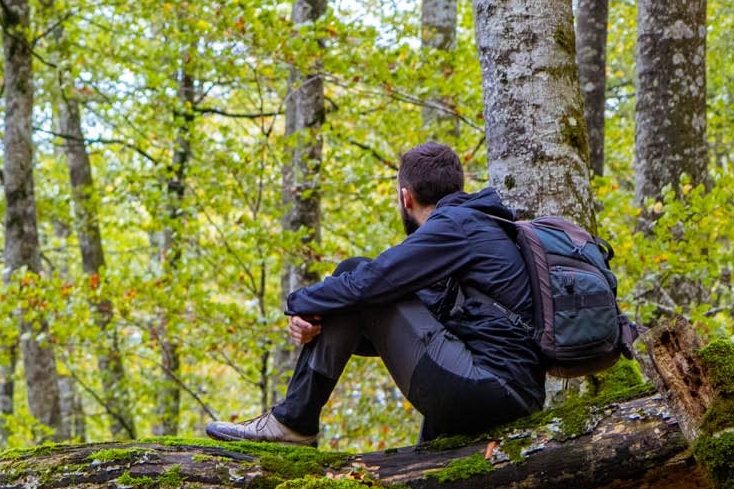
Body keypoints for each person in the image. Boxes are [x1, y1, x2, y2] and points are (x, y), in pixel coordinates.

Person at [205, 141, 546, 446]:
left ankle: (293, 421)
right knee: (350, 292)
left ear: (405, 197)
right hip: (510, 391)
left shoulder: (455, 226)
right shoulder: (475, 228)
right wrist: (318, 319)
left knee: (353, 272)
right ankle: (295, 421)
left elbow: (370, 281)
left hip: (491, 386)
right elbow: (388, 328)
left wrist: (297, 303)